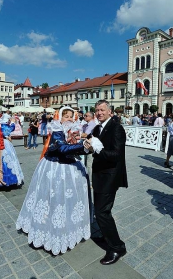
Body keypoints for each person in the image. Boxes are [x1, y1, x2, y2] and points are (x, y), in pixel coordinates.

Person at [16, 107, 102, 255]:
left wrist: (88, 144)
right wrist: (84, 146)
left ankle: (69, 225)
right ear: (60, 118)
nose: (69, 119)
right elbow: (62, 148)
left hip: (70, 167)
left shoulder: (72, 132)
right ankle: (47, 227)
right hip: (55, 168)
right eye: (66, 116)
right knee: (53, 198)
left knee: (69, 200)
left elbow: (73, 147)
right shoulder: (56, 131)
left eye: (71, 117)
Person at [90, 100, 128, 265]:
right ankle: (106, 236)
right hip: (99, 175)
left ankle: (117, 247)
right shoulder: (97, 128)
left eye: (102, 110)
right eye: (97, 110)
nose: (99, 113)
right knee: (100, 211)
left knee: (102, 212)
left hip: (110, 176)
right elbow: (92, 146)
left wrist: (98, 150)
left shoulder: (116, 128)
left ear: (110, 111)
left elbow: (116, 155)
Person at [81, 111, 96, 180]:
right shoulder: (87, 124)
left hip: (91, 145)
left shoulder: (92, 124)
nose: (84, 117)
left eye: (86, 116)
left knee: (89, 164)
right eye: (84, 115)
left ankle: (90, 181)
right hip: (87, 144)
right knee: (86, 162)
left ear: (90, 117)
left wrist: (76, 135)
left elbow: (85, 134)